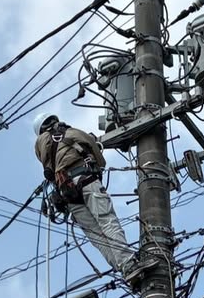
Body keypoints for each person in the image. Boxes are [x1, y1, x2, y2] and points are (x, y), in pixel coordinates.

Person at [33, 113, 150, 282]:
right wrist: (97, 165)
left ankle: (124, 269)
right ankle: (129, 263)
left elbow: (49, 168)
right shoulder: (72, 132)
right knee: (106, 221)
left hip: (67, 192)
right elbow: (95, 151)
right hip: (85, 179)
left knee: (96, 235)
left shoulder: (40, 145)